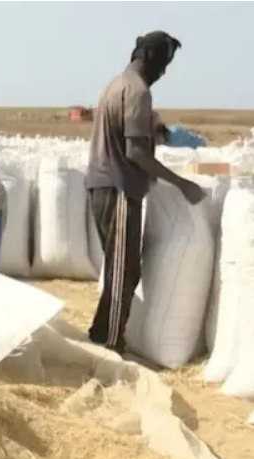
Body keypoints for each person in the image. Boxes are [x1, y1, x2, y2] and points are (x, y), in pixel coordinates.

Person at [85, 31, 206, 354]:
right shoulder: (138, 91)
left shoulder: (117, 84)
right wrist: (183, 184)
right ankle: (110, 343)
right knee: (123, 272)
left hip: (105, 184)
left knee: (123, 268)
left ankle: (101, 332)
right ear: (151, 58)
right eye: (165, 63)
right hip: (119, 187)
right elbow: (136, 152)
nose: (164, 72)